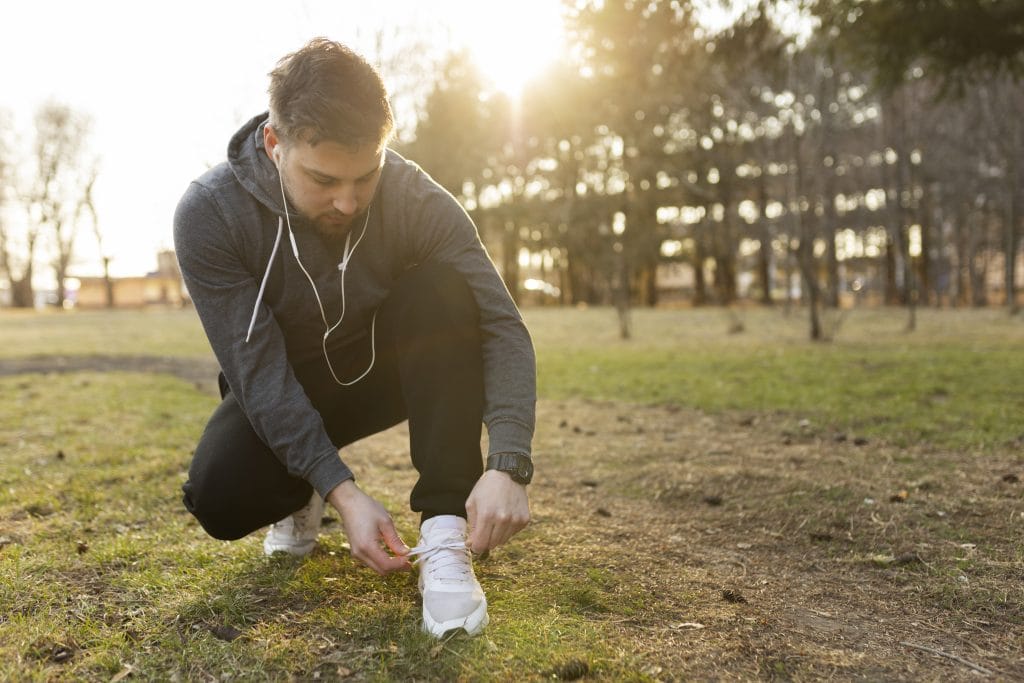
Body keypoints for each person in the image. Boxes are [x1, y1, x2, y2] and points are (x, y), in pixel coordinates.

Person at [173, 37, 536, 638]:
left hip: (383, 368)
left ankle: (444, 533)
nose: (347, 200)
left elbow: (500, 322)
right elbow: (256, 371)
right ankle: (302, 492)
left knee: (443, 292)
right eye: (323, 179)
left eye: (365, 176)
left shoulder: (415, 196)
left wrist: (509, 463)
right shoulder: (210, 213)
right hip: (286, 381)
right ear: (274, 142)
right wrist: (341, 492)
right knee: (218, 498)